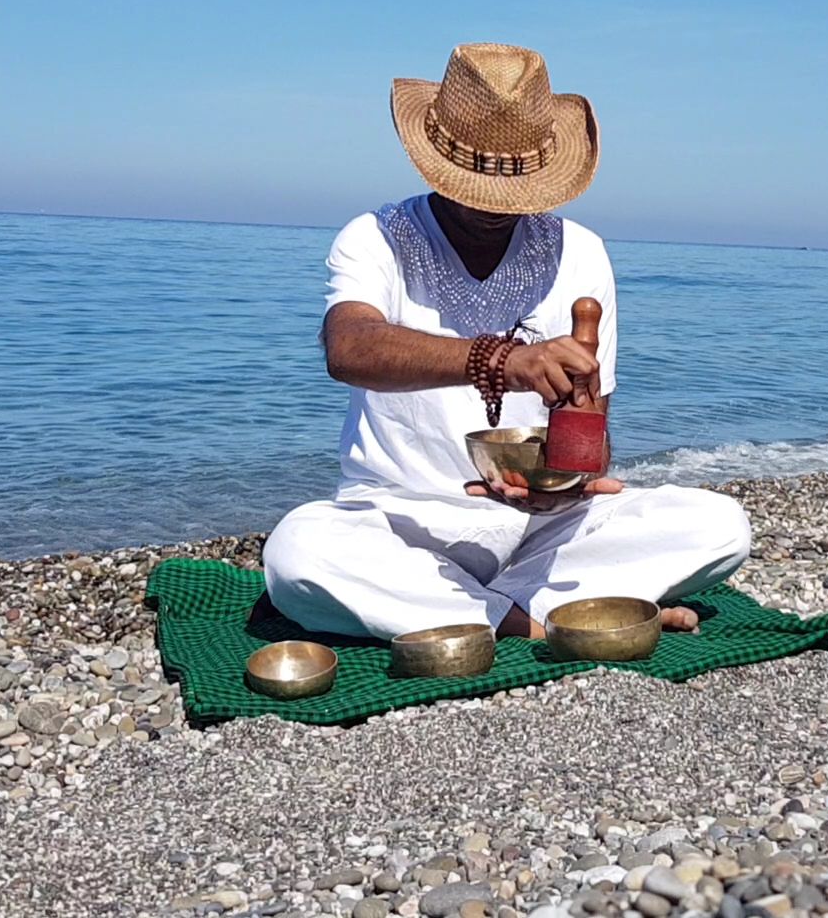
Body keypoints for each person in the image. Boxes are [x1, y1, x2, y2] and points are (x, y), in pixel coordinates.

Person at [262, 43, 752, 641]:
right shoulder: (376, 238)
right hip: (397, 522)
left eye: (515, 186)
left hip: (538, 531)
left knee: (720, 525)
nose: (494, 207)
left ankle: (469, 611)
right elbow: (350, 348)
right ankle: (536, 620)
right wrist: (500, 361)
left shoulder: (581, 252)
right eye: (476, 186)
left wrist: (564, 485)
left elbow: (593, 435)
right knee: (297, 554)